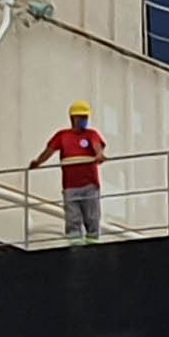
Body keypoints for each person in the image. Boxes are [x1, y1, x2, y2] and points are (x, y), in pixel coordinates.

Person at [31, 102, 107, 240]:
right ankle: (74, 247)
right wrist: (38, 162)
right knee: (73, 219)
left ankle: (93, 246)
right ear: (73, 118)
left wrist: (99, 155)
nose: (84, 120)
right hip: (70, 187)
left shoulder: (91, 134)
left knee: (92, 218)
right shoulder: (62, 136)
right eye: (81, 117)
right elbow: (49, 151)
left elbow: (97, 147)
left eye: (86, 117)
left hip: (90, 185)